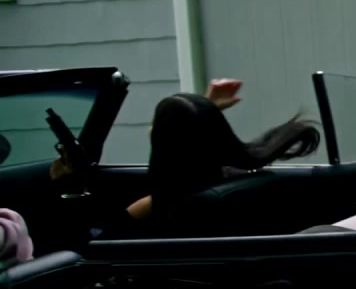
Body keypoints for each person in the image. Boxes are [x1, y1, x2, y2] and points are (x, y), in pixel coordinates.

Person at [54, 79, 322, 238]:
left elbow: (90, 251)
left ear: (162, 151)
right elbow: (179, 139)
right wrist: (205, 111)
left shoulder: (159, 208)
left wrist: (69, 189)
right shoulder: (237, 183)